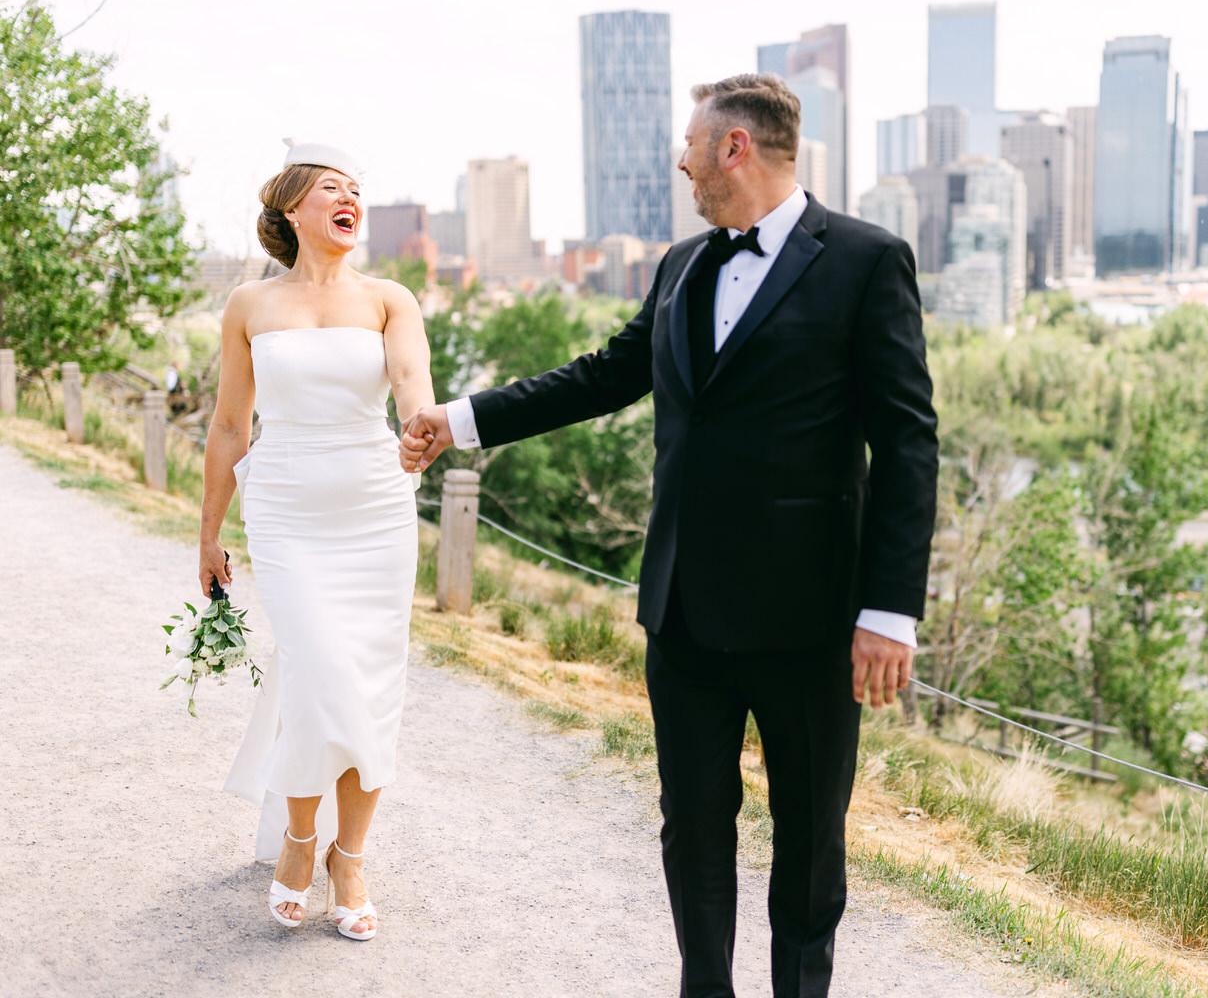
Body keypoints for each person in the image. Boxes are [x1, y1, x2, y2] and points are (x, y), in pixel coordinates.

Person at [401, 74, 938, 997]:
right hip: (683, 612)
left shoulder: (865, 259)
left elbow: (907, 442)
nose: (681, 162)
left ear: (735, 147)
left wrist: (889, 610)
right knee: (692, 830)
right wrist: (463, 419)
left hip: (811, 621)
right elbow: (604, 376)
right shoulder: (682, 262)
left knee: (810, 843)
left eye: (692, 145)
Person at [199, 140, 433, 941]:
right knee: (316, 670)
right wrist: (209, 533)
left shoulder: (389, 298)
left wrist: (419, 431)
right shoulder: (249, 307)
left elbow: (411, 385)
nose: (350, 200)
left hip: (375, 508)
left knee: (372, 681)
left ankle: (351, 854)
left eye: (357, 190)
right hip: (288, 510)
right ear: (293, 209)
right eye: (331, 188)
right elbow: (230, 426)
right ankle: (300, 837)